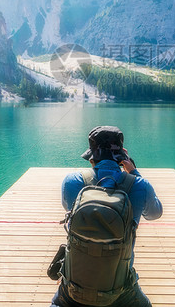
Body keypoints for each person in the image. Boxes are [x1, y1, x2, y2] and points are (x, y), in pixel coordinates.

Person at [51, 126, 163, 307]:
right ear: (121, 157)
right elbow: (155, 213)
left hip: (74, 283)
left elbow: (68, 208)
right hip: (119, 287)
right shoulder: (139, 185)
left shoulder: (72, 181)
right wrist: (133, 172)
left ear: (92, 156)